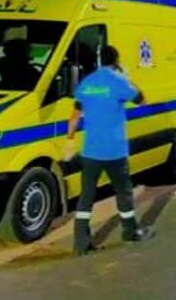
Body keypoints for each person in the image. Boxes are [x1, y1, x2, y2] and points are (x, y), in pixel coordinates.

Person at [67, 45, 155, 256]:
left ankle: (81, 243)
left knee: (87, 195)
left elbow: (75, 116)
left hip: (91, 151)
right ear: (116, 61)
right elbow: (142, 100)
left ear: (99, 60)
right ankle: (130, 232)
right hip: (114, 151)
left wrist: (69, 139)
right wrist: (127, 77)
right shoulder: (119, 82)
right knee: (123, 192)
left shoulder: (86, 83)